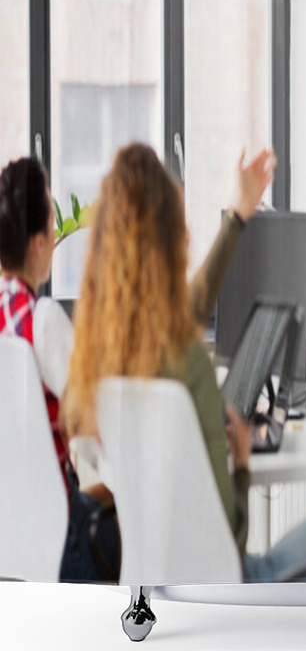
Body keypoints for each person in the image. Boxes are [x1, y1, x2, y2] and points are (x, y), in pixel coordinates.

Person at [62, 144, 306, 585]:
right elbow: (232, 537)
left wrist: (240, 213)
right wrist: (241, 463)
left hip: (150, 590)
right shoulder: (188, 367)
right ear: (172, 240)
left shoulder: (103, 365)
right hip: (226, 591)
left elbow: (192, 303)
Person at [0, 156, 119, 581]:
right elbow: (93, 425)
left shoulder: (6, 318)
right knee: (140, 517)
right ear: (37, 242)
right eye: (51, 225)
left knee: (107, 497)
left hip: (10, 543)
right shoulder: (42, 320)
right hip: (58, 544)